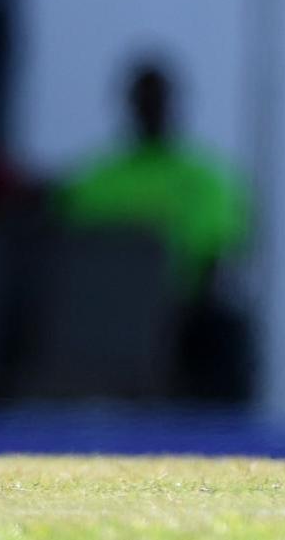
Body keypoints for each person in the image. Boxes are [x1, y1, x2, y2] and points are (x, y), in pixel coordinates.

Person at [57, 57, 254, 401]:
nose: (151, 109)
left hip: (182, 313)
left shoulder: (205, 178)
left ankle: (219, 433)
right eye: (143, 100)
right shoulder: (96, 179)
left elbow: (214, 256)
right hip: (105, 315)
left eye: (158, 99)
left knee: (226, 330)